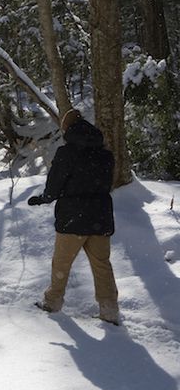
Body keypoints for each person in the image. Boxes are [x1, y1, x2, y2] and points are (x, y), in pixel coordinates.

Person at [28, 109, 120, 325]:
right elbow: (107, 184)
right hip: (100, 217)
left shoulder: (66, 153)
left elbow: (54, 187)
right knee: (102, 264)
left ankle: (52, 302)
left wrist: (43, 199)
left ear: (67, 130)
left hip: (73, 219)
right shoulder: (106, 154)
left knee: (61, 263)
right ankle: (109, 311)